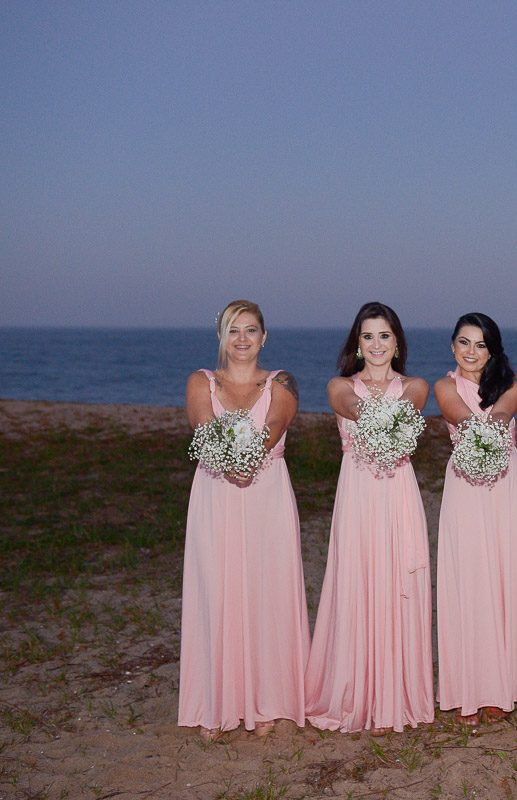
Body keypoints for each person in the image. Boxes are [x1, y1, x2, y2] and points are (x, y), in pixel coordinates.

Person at [179, 300, 308, 741]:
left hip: (266, 493)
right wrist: (228, 458)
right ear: (221, 336)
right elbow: (201, 422)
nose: (242, 339)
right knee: (216, 587)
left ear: (264, 337)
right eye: (233, 330)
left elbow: (276, 422)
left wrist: (250, 457)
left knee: (264, 588)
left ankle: (266, 699)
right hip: (215, 491)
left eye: (250, 330)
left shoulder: (282, 381)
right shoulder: (201, 380)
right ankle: (216, 702)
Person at [306, 302, 434, 734]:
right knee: (358, 583)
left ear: (397, 342)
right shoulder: (339, 385)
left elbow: (410, 408)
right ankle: (355, 695)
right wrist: (373, 413)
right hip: (358, 495)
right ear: (357, 344)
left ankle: (392, 698)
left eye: (384, 335)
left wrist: (383, 414)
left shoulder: (416, 385)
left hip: (397, 494)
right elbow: (347, 405)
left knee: (397, 586)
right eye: (367, 336)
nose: (376, 344)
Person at [433, 313, 517, 725]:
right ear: (452, 346)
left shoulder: (514, 382)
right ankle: (470, 688)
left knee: (505, 573)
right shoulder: (444, 384)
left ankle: (505, 686)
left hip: (506, 480)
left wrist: (490, 430)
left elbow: (501, 415)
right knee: (470, 576)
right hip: (463, 478)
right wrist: (477, 433)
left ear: (492, 349)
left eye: (480, 345)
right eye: (464, 342)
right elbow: (457, 414)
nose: (471, 352)